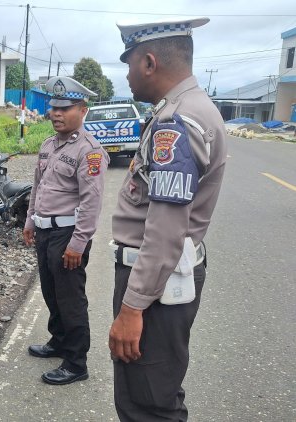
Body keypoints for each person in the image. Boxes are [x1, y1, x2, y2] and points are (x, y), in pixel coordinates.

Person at [109, 18, 227, 421]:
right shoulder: (184, 110)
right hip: (162, 280)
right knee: (152, 391)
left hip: (156, 284)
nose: (125, 74)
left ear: (149, 62)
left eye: (128, 63)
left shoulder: (177, 122)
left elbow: (165, 229)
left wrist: (132, 308)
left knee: (148, 403)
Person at [23, 76, 109, 386]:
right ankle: (58, 341)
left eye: (65, 108)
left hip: (68, 235)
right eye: (53, 107)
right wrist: (30, 220)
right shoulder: (48, 144)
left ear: (83, 110)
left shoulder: (90, 151)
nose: (56, 113)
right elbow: (38, 185)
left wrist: (78, 243)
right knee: (51, 292)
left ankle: (76, 362)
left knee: (71, 298)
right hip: (46, 232)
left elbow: (91, 202)